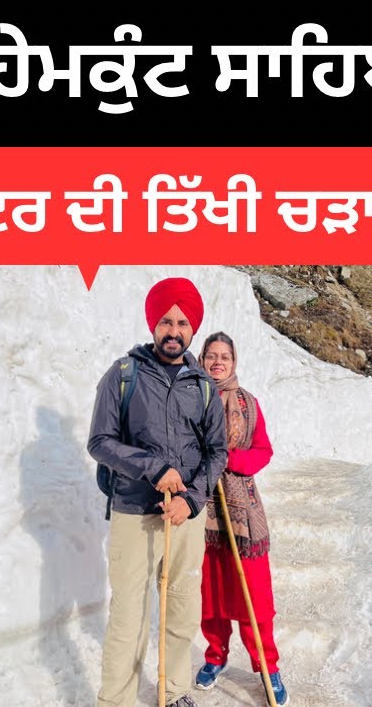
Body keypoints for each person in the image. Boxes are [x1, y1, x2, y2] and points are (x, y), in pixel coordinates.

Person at [87, 276, 228, 707]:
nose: (173, 330)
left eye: (182, 322)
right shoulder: (123, 375)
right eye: (166, 320)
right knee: (128, 616)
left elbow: (216, 451)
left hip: (186, 515)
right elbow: (100, 442)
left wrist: (192, 497)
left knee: (182, 609)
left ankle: (176, 689)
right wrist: (155, 470)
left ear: (192, 330)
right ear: (153, 325)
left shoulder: (202, 386)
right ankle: (116, 700)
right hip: (134, 511)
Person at [194, 332, 287, 704]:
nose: (218, 362)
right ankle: (215, 655)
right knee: (211, 592)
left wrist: (230, 459)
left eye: (225, 357)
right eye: (211, 356)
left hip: (243, 510)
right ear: (201, 360)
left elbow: (263, 449)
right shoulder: (189, 398)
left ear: (234, 362)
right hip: (202, 508)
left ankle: (268, 665)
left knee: (254, 593)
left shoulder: (249, 403)